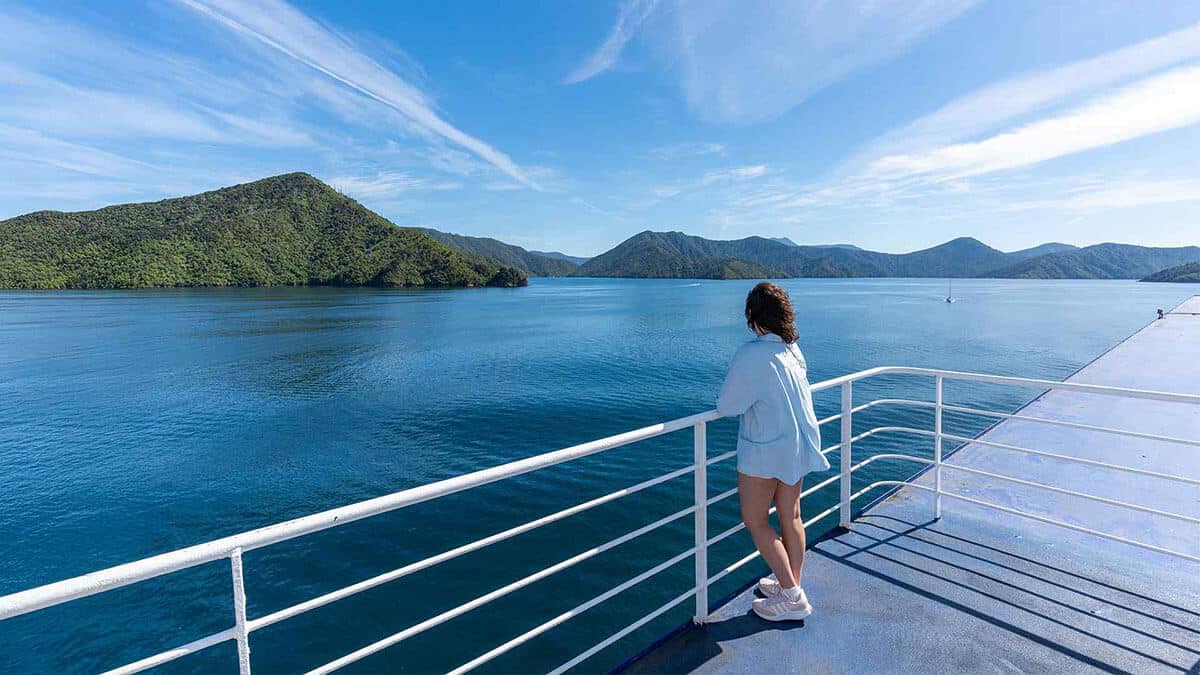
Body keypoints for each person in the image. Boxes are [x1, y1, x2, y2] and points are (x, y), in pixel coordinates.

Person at [717, 282, 830, 621]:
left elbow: (726, 405)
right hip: (795, 447)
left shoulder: (751, 354)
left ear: (754, 317)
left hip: (765, 452)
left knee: (755, 520)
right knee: (791, 517)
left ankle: (793, 598)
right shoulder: (793, 350)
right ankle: (789, 584)